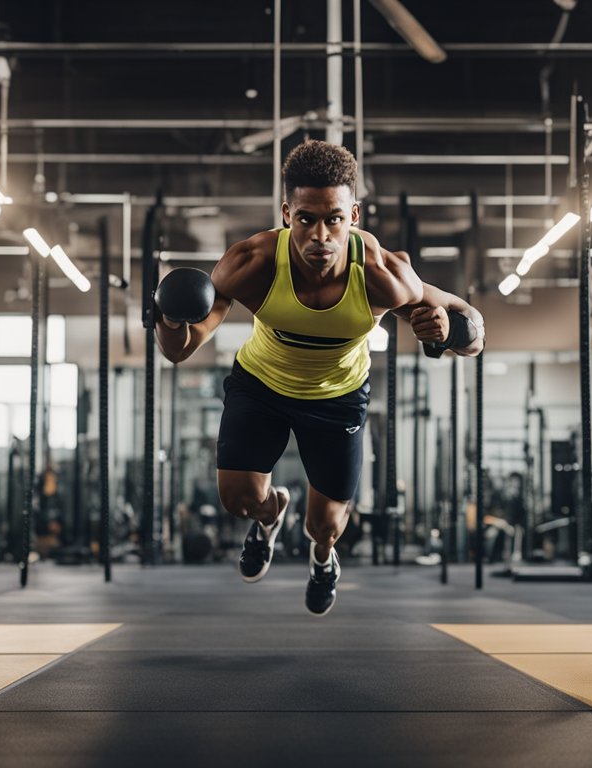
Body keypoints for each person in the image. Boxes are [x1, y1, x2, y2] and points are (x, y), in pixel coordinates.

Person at [155, 140, 485, 615]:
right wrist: (169, 319)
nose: (320, 236)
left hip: (339, 397)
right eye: (307, 218)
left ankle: (323, 559)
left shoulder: (381, 273)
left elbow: (473, 334)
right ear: (288, 213)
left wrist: (448, 329)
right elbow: (180, 351)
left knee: (325, 525)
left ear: (354, 216)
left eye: (333, 219)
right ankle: (270, 516)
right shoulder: (252, 263)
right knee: (238, 500)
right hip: (261, 385)